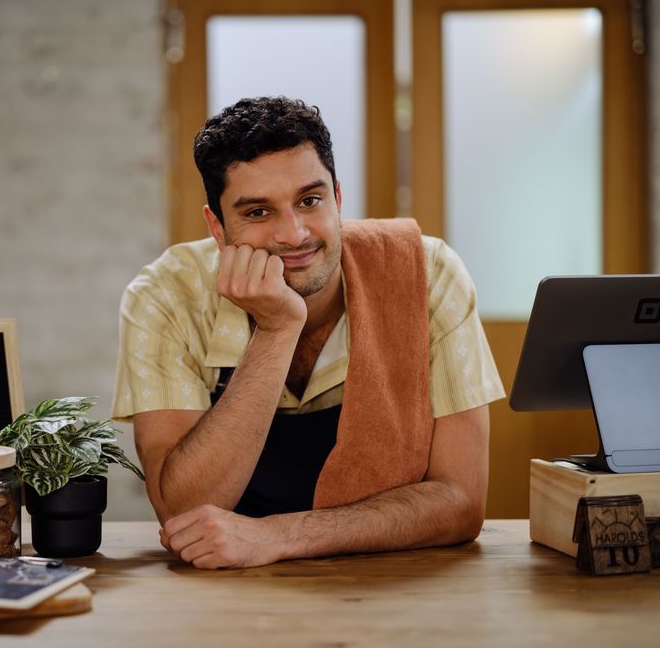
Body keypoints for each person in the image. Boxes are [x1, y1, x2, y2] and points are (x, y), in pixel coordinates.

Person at [113, 96, 504, 569]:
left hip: (393, 581)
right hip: (224, 589)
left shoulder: (429, 273)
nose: (294, 233)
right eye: (258, 212)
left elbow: (462, 501)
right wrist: (277, 329)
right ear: (217, 227)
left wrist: (279, 536)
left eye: (309, 201)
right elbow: (182, 510)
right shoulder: (166, 296)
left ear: (337, 199)